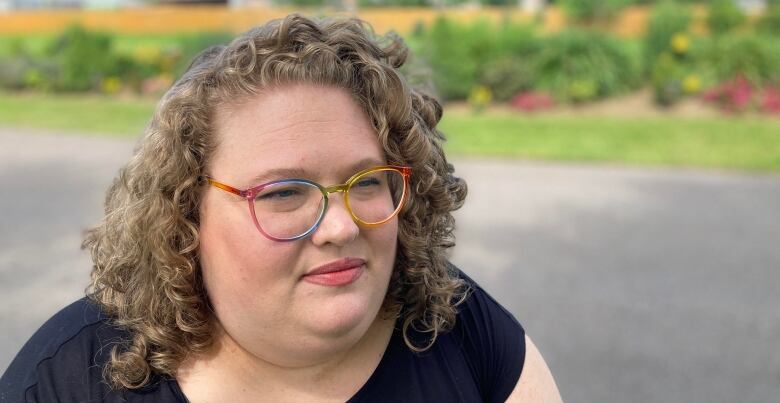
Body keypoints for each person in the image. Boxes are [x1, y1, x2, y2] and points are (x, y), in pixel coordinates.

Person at [0, 14, 561, 402]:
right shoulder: (67, 379)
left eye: (367, 181)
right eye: (284, 193)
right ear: (185, 218)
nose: (341, 226)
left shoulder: (458, 327)